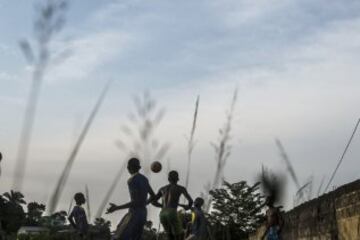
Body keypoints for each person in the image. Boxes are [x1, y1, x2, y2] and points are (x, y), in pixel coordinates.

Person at [106, 158, 156, 240]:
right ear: (138, 167)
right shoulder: (144, 179)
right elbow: (153, 196)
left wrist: (117, 207)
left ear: (129, 167)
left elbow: (135, 202)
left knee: (118, 237)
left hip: (134, 213)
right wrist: (144, 203)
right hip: (143, 214)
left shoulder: (132, 180)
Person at [151, 170, 193, 240]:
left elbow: (153, 202)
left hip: (162, 214)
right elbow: (191, 201)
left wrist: (163, 206)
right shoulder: (180, 188)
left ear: (168, 179)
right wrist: (188, 207)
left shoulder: (162, 188)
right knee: (180, 235)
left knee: (169, 236)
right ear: (177, 179)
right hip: (172, 212)